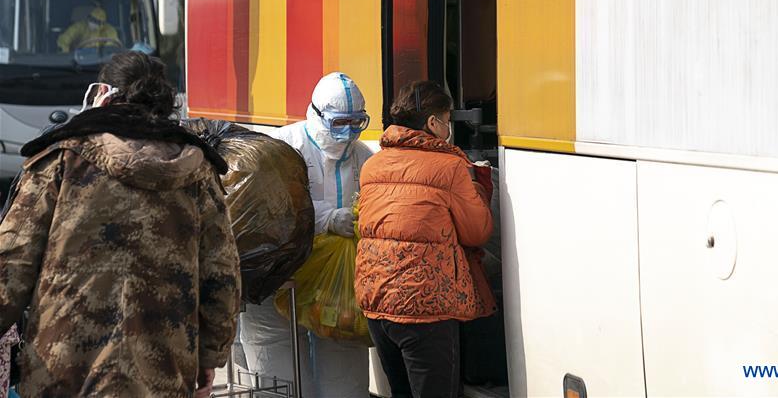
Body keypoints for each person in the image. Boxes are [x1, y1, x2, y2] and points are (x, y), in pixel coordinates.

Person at [0, 51, 240, 397]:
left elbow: (12, 262)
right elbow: (222, 272)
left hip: (63, 369)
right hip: (163, 368)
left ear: (104, 94)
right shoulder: (197, 170)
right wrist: (210, 355)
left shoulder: (62, 160)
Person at [355, 80, 496, 398]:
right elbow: (477, 232)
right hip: (425, 305)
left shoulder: (373, 164)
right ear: (433, 122)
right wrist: (478, 188)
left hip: (378, 302)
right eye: (447, 120)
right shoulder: (449, 167)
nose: (448, 128)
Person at [240, 72, 372, 397]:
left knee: (345, 373)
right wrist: (327, 219)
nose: (349, 132)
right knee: (278, 377)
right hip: (278, 279)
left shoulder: (363, 156)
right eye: (341, 123)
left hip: (335, 286)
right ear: (316, 114)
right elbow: (265, 210)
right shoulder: (282, 148)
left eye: (358, 123)